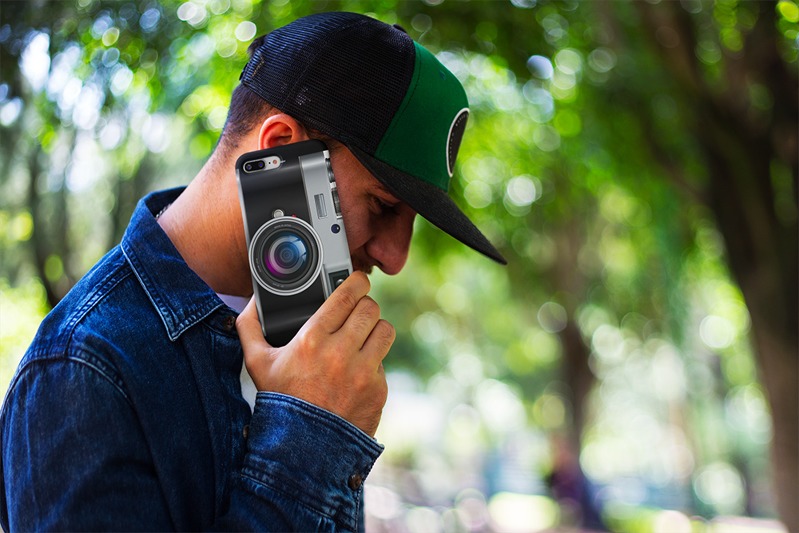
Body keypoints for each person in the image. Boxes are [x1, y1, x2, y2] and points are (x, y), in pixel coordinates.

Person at [0, 11, 506, 532]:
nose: (395, 258)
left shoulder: (308, 340)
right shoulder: (82, 368)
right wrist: (309, 434)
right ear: (281, 148)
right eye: (382, 205)